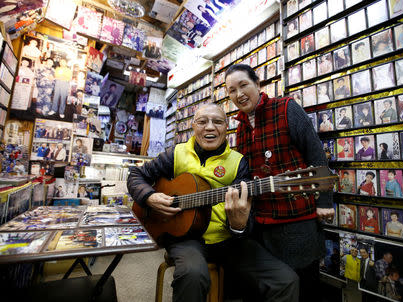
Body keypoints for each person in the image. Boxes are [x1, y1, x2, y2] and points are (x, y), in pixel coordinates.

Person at [126, 103, 299, 302]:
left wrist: (238, 225)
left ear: (227, 128)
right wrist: (149, 197)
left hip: (227, 240)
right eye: (202, 121)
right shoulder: (176, 153)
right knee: (192, 274)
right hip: (185, 239)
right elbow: (136, 175)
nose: (210, 127)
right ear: (193, 125)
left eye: (217, 122)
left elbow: (244, 221)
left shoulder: (239, 162)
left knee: (286, 280)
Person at [225, 64, 334, 302]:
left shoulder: (286, 108)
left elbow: (316, 154)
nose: (239, 94)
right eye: (232, 90)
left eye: (243, 85)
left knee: (302, 287)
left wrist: (325, 200)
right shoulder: (240, 127)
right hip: (260, 225)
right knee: (272, 290)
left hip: (297, 222)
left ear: (257, 83)